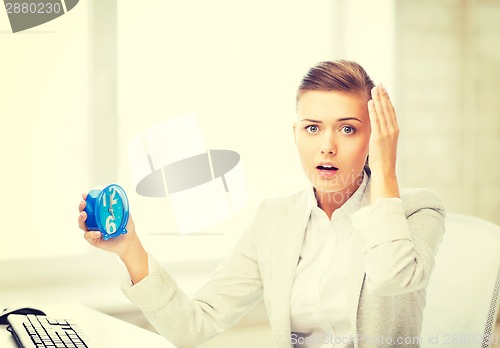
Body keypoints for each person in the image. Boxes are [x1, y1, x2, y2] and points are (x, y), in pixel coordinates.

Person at [78, 60, 445, 348]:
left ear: (375, 137)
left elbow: (392, 277)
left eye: (348, 128)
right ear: (296, 134)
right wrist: (129, 249)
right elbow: (193, 325)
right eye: (312, 128)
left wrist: (384, 169)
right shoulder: (274, 220)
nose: (327, 146)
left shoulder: (416, 210)